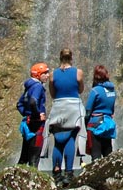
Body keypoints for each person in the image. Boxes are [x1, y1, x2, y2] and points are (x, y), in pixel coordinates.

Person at [46, 48, 85, 184]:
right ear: (71, 58)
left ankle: (57, 172)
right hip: (73, 107)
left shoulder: (52, 75)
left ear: (60, 57)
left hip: (59, 106)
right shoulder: (78, 73)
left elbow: (52, 93)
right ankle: (69, 173)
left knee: (58, 140)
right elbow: (80, 90)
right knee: (71, 138)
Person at [16, 62, 49, 167]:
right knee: (34, 156)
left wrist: (27, 115)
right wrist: (37, 116)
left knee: (24, 156)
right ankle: (33, 180)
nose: (48, 75)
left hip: (28, 123)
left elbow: (19, 104)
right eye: (45, 73)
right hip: (36, 125)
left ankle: (15, 177)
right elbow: (33, 101)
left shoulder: (29, 86)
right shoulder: (38, 86)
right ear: (38, 75)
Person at [85, 65, 117, 161]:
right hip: (108, 123)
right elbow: (112, 109)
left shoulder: (95, 91)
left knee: (96, 153)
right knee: (108, 152)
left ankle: (97, 175)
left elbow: (88, 110)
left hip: (95, 124)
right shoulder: (112, 91)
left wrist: (85, 124)